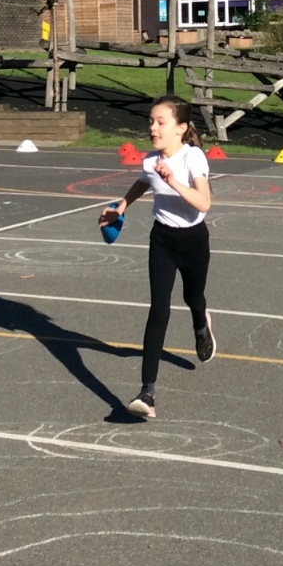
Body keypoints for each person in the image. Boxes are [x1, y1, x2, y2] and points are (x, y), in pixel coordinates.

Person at [99, 96, 215, 419]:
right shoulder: (151, 161)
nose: (152, 127)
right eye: (150, 121)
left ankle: (201, 325)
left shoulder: (193, 157)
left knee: (193, 297)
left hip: (193, 241)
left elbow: (204, 203)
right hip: (162, 239)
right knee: (159, 308)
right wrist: (121, 207)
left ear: (181, 128)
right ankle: (147, 393)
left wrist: (172, 180)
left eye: (161, 122)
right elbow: (142, 183)